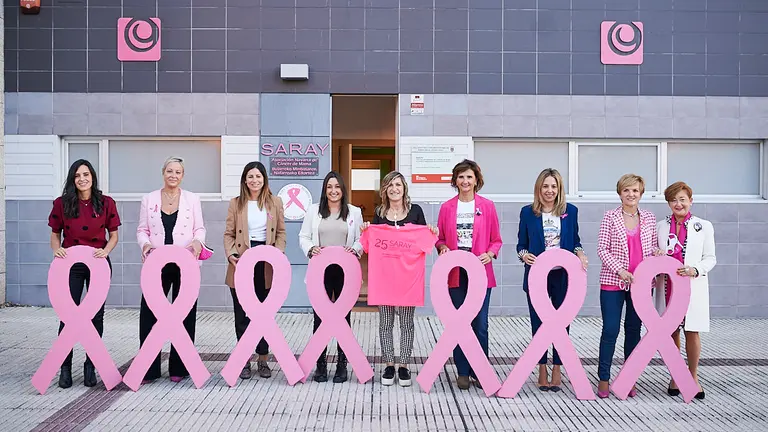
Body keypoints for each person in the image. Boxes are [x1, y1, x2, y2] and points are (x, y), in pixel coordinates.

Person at [360, 171, 437, 387]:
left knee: (406, 323)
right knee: (385, 324)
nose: (394, 189)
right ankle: (388, 365)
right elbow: (369, 244)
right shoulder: (379, 213)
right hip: (384, 278)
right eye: (390, 185)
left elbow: (426, 240)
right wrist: (366, 230)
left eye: (398, 184)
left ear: (404, 188)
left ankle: (403, 366)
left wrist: (431, 231)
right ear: (384, 190)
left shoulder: (416, 212)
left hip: (408, 278)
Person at [48, 159, 121, 388]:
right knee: (67, 316)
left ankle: (91, 365)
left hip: (98, 263)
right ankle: (65, 366)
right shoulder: (62, 203)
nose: (82, 179)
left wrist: (105, 250)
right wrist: (56, 249)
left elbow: (114, 235)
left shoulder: (106, 202)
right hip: (71, 264)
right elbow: (55, 233)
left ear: (93, 177)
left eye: (86, 175)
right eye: (78, 175)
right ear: (72, 179)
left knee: (96, 316)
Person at [516, 168, 588, 392]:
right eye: (545, 186)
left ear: (559, 189)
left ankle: (558, 366)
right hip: (538, 273)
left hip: (562, 274)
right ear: (539, 188)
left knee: (562, 322)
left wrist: (580, 253)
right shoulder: (528, 212)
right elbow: (521, 244)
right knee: (538, 322)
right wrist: (523, 255)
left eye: (553, 186)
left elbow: (575, 240)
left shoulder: (571, 211)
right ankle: (541, 368)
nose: (549, 190)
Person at [137, 156, 206, 384]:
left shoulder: (192, 199)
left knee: (185, 314)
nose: (173, 175)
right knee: (149, 312)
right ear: (163, 173)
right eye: (169, 171)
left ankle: (180, 367)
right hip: (156, 263)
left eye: (177, 172)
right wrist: (145, 244)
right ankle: (149, 368)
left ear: (183, 175)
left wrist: (197, 242)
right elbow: (142, 230)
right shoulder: (148, 199)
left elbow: (199, 228)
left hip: (185, 262)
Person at [435, 159, 502, 390]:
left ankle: (478, 370)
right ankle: (462, 371)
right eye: (461, 177)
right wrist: (442, 247)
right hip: (455, 273)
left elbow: (496, 240)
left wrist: (491, 254)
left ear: (476, 180)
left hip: (480, 272)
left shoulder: (488, 206)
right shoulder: (447, 208)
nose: (465, 181)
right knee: (458, 323)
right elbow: (440, 238)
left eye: (469, 177)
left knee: (480, 324)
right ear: (455, 180)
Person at [596, 173, 661, 398]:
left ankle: (629, 378)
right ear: (620, 193)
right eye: (626, 190)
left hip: (641, 285)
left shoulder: (650, 218)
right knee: (610, 330)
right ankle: (603, 378)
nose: (631, 194)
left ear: (641, 193)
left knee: (633, 331)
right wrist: (620, 270)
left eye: (635, 190)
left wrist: (657, 252)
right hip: (613, 282)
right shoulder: (610, 217)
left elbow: (652, 245)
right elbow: (602, 249)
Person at [223, 162, 286, 380]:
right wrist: (231, 255)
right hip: (241, 261)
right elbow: (229, 234)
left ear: (264, 179)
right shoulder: (236, 203)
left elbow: (280, 233)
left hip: (266, 263)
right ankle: (243, 360)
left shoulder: (274, 202)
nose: (254, 180)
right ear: (244, 180)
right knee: (242, 314)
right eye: (250, 177)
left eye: (258, 176)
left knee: (264, 314)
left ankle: (263, 359)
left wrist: (276, 255)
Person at [299, 171, 364, 383]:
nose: (333, 191)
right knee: (320, 318)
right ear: (325, 190)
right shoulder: (313, 211)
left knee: (344, 318)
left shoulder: (353, 212)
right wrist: (310, 249)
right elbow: (304, 236)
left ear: (343, 190)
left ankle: (342, 365)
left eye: (337, 187)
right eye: (329, 187)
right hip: (321, 272)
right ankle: (320, 364)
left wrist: (355, 249)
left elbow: (362, 238)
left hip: (345, 272)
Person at [656, 181, 715, 400]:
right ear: (668, 203)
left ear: (691, 200)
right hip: (668, 286)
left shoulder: (703, 226)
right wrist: (657, 255)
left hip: (691, 284)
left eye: (682, 199)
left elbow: (710, 258)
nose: (678, 204)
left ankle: (692, 376)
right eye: (674, 200)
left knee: (692, 330)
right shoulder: (661, 226)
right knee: (671, 331)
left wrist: (695, 269)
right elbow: (656, 252)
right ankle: (675, 374)